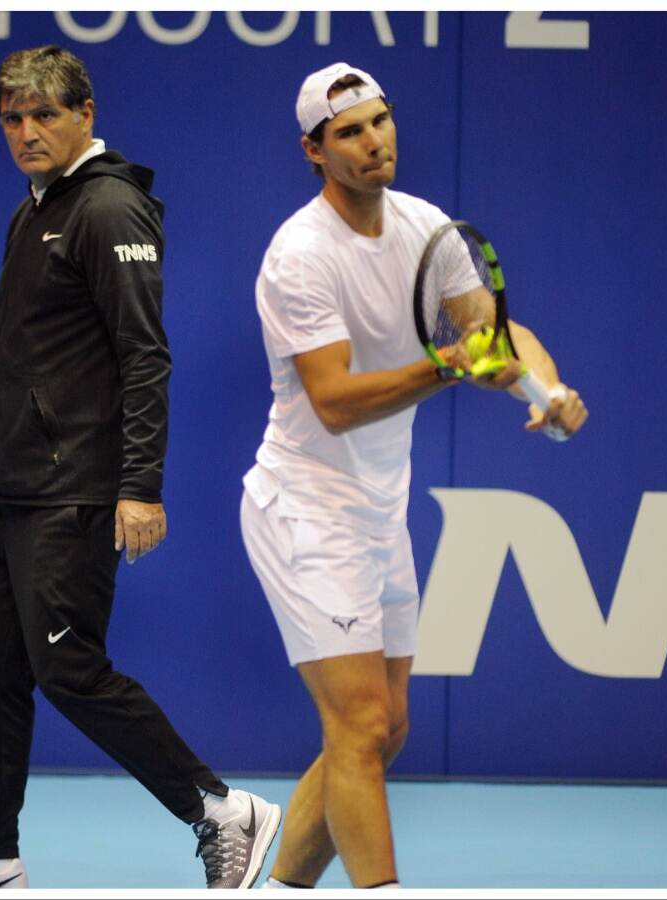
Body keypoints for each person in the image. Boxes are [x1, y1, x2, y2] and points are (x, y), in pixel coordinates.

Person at [0, 46, 280, 891]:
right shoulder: (35, 208)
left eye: (44, 116)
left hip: (78, 487)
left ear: (85, 114)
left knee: (67, 667)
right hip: (16, 488)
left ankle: (221, 809)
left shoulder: (106, 210)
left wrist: (140, 485)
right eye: (12, 119)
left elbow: (146, 358)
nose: (26, 133)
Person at [240, 62, 588, 889]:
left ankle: (279, 887)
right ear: (314, 151)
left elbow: (491, 333)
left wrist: (548, 389)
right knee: (358, 724)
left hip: (377, 511)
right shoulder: (299, 256)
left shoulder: (425, 226)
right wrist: (445, 367)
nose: (373, 142)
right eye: (349, 132)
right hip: (304, 510)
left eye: (380, 121)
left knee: (384, 730)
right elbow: (334, 402)